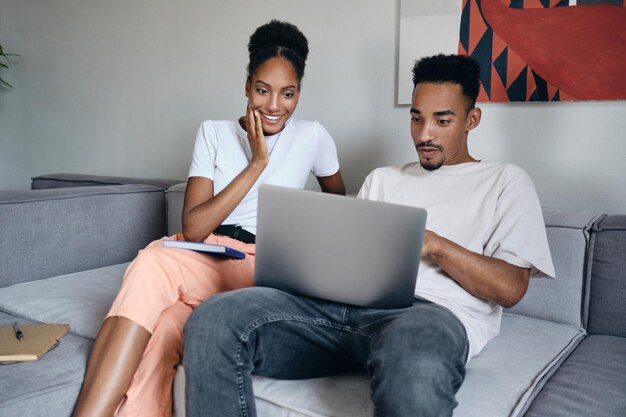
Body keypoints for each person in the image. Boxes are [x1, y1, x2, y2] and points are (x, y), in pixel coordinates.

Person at [182, 54, 555, 417]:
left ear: (472, 119)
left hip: (428, 315)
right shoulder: (382, 179)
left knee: (415, 353)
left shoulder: (506, 181)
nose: (425, 134)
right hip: (335, 311)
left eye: (442, 120)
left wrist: (435, 245)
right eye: (416, 119)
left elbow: (511, 289)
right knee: (215, 319)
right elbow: (343, 258)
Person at [72, 20, 345, 417]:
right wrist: (256, 164)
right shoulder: (214, 132)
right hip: (207, 250)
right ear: (247, 85)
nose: (273, 106)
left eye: (287, 94)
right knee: (165, 329)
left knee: (151, 261)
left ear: (299, 93)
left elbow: (339, 207)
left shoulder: (313, 136)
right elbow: (196, 227)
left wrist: (304, 249)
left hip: (262, 264)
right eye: (262, 91)